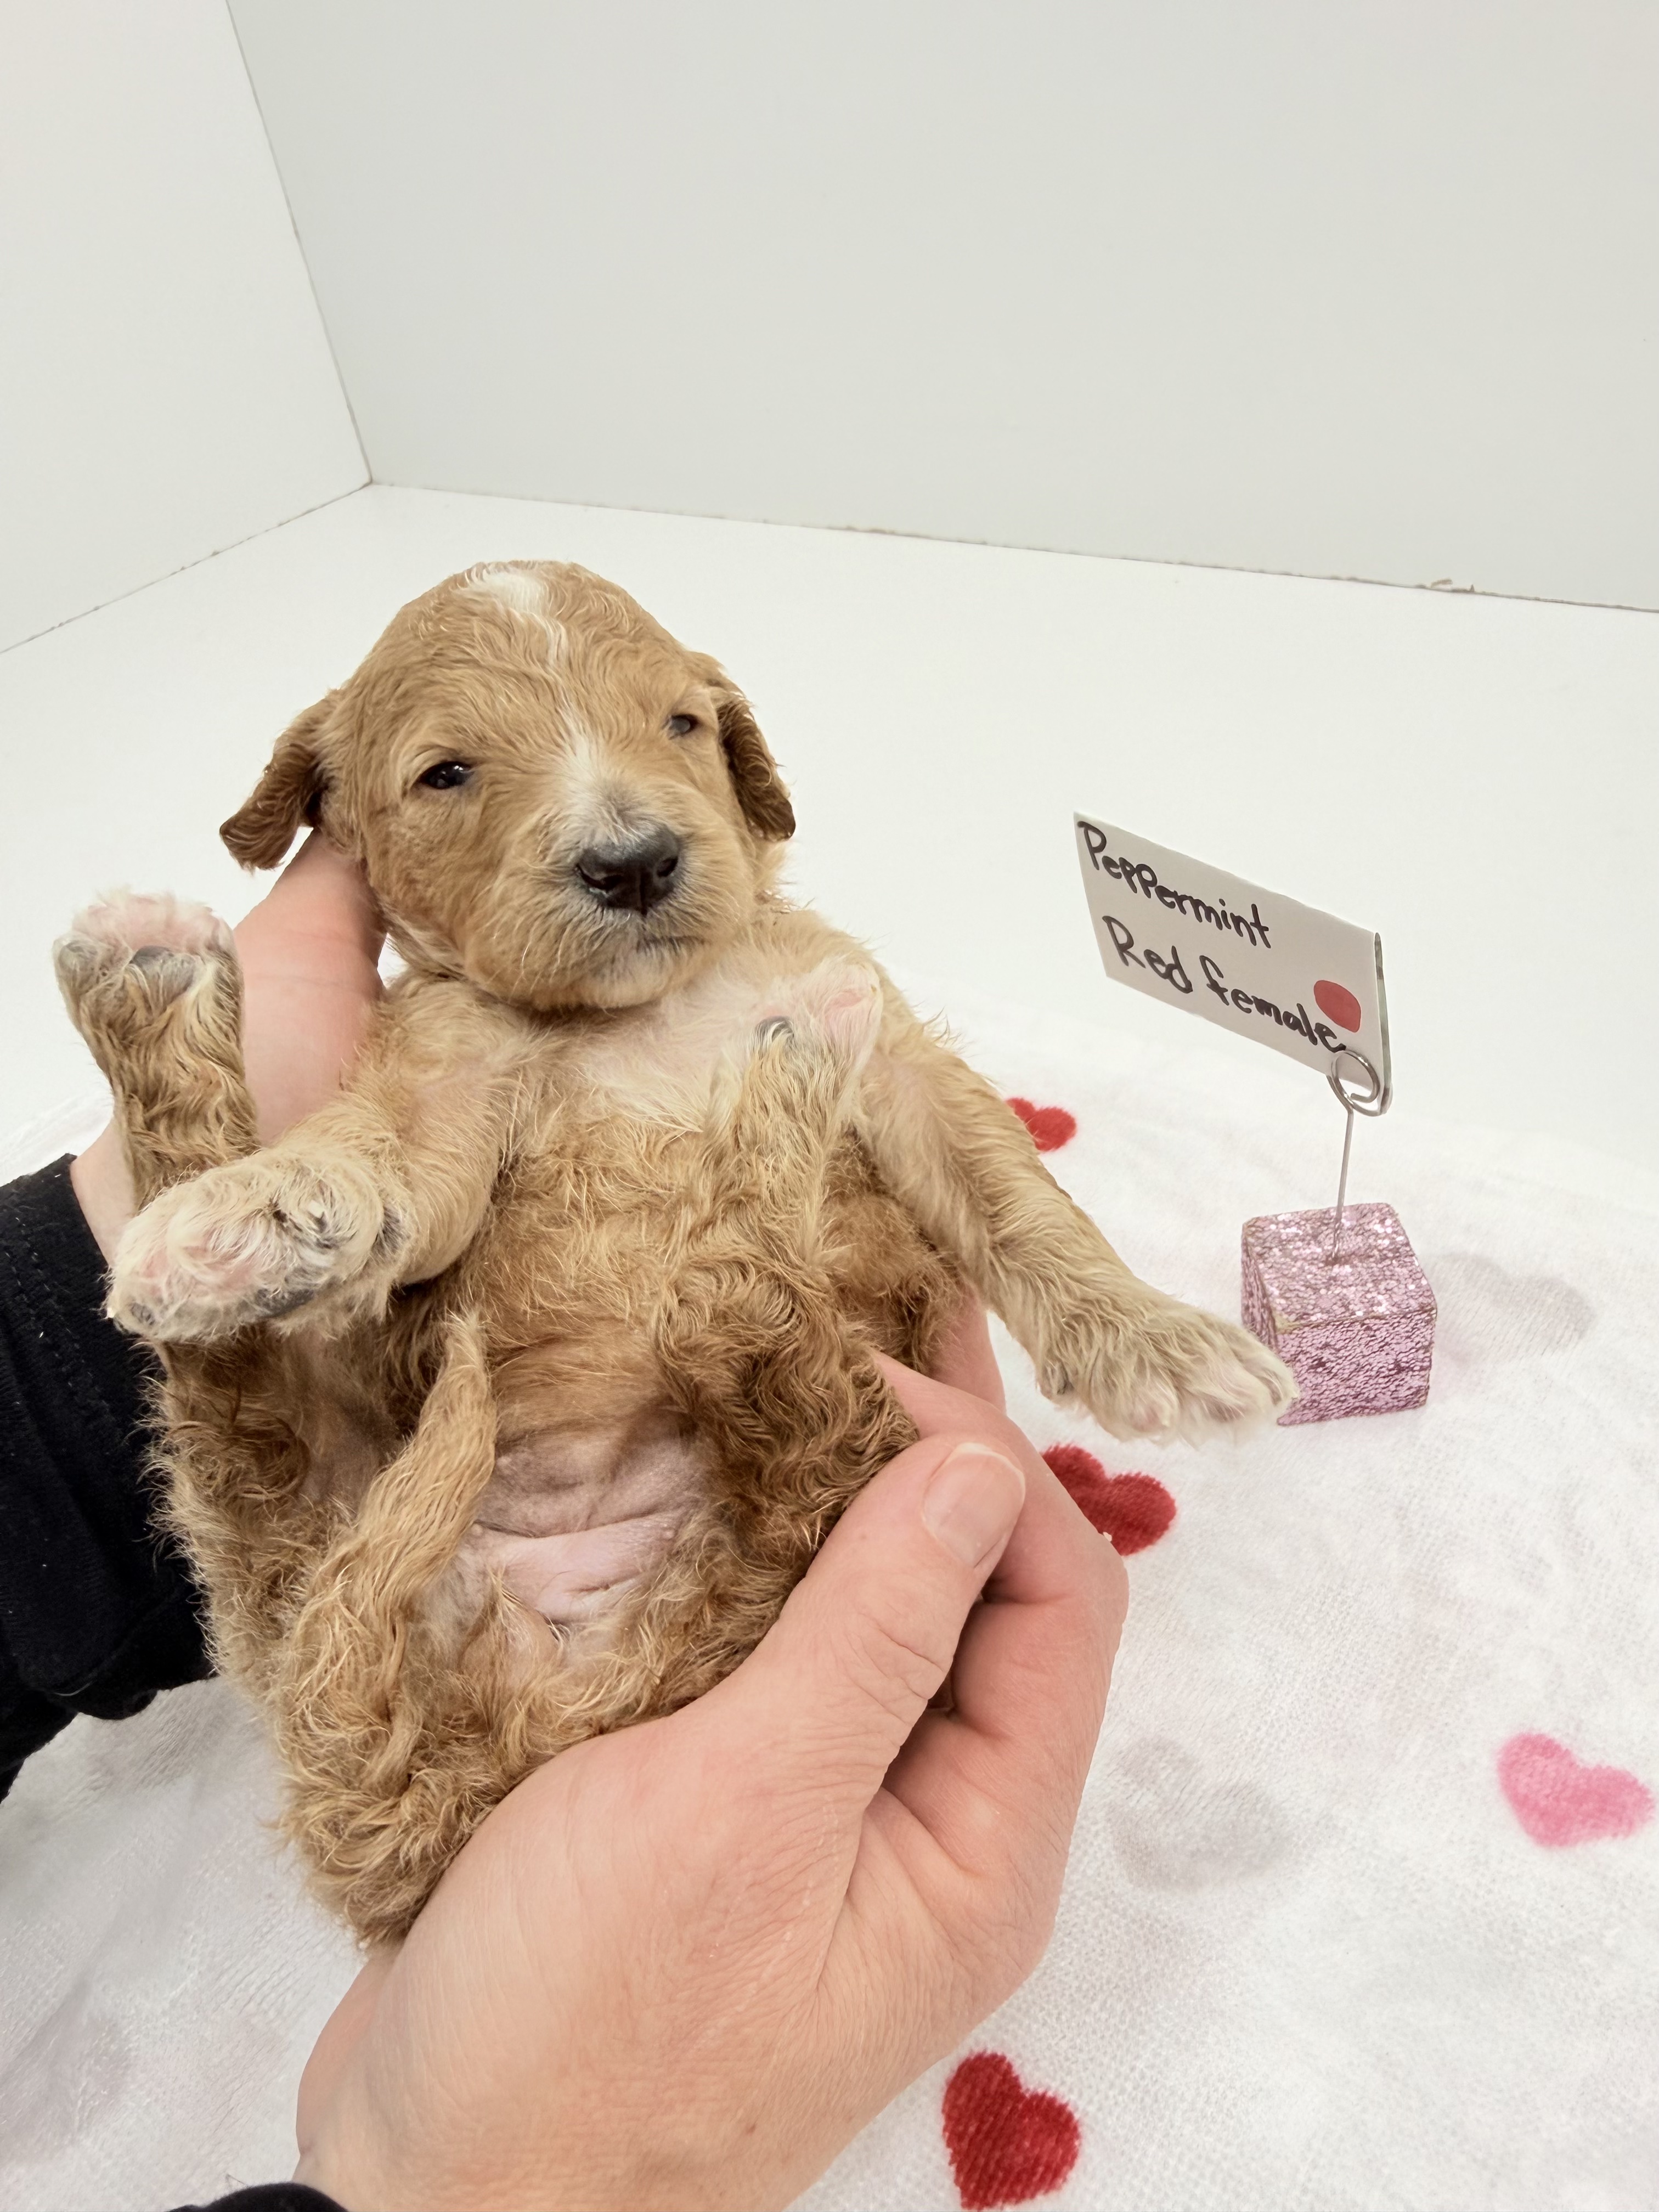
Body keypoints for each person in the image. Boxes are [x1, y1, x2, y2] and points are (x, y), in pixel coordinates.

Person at [1, 838, 1126, 2211]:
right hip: (572, 1657)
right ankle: (195, 1136)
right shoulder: (465, 1028)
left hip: (429, 1746)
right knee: (784, 1436)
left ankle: (178, 1126)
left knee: (282, 1479)